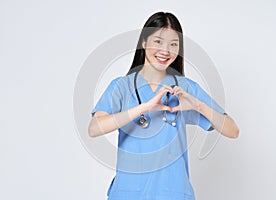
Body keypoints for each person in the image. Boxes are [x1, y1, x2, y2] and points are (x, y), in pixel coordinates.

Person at [88, 11, 239, 200]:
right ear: (144, 42)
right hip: (128, 194)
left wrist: (198, 106)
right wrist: (144, 107)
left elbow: (232, 130)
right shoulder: (122, 86)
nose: (165, 51)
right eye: (158, 41)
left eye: (173, 44)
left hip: (173, 193)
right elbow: (94, 128)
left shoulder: (184, 88)